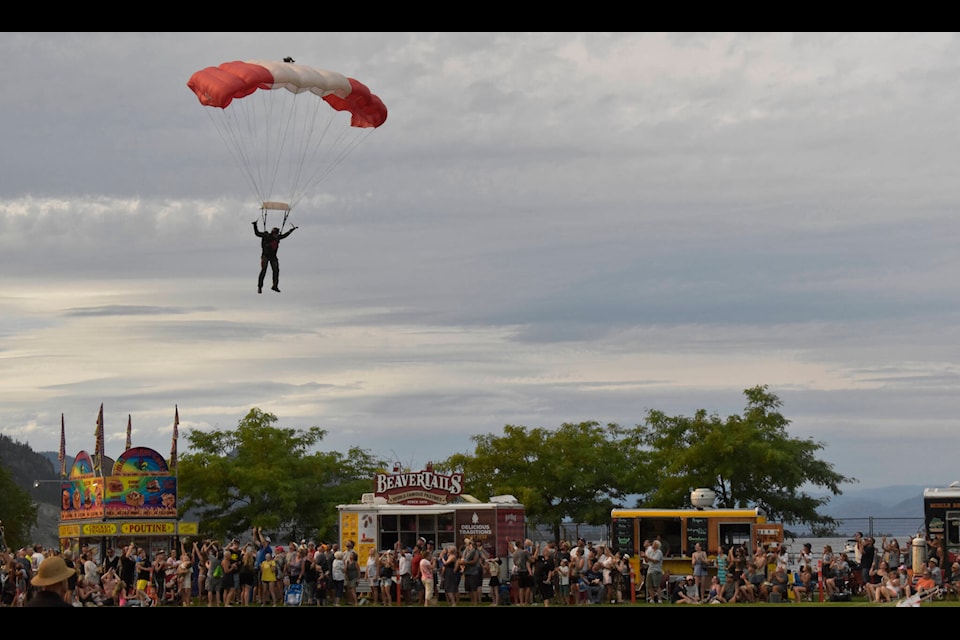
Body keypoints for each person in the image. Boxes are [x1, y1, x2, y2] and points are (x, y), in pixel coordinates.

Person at [252, 221, 297, 293]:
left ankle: (275, 286)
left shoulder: (277, 238)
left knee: (276, 270)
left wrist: (291, 230)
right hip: (265, 256)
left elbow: (284, 235)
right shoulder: (266, 236)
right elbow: (257, 233)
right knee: (263, 270)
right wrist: (255, 225)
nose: (277, 235)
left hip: (273, 257)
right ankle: (260, 287)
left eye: (277, 234)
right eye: (276, 234)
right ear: (273, 233)